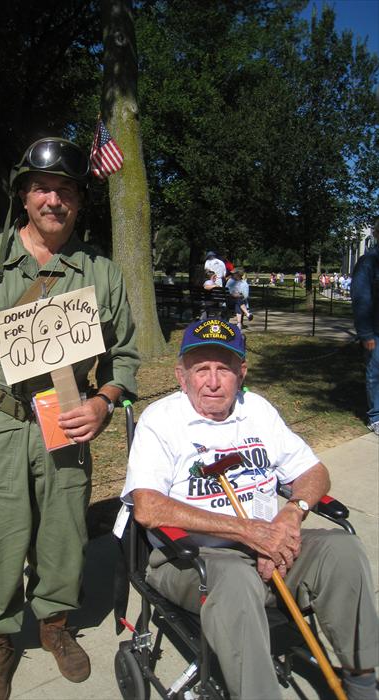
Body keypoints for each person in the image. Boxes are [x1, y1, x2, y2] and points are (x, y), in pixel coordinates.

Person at [0, 137, 140, 700]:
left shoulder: (100, 273)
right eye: (42, 189)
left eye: (64, 190)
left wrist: (104, 402)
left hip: (66, 424)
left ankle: (55, 626)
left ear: (79, 202)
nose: (53, 200)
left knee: (62, 536)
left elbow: (126, 356)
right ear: (24, 197)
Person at [121, 318, 378, 700]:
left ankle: (361, 681)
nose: (212, 381)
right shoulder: (162, 421)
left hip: (270, 542)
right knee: (235, 582)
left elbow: (314, 471)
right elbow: (148, 507)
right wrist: (247, 532)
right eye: (201, 369)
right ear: (181, 375)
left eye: (223, 368)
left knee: (342, 549)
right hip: (191, 559)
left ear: (241, 372)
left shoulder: (256, 410)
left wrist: (291, 515)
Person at [351, 219, 379, 436]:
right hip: (375, 331)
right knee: (375, 373)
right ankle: (376, 416)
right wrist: (366, 333)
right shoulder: (368, 261)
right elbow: (361, 297)